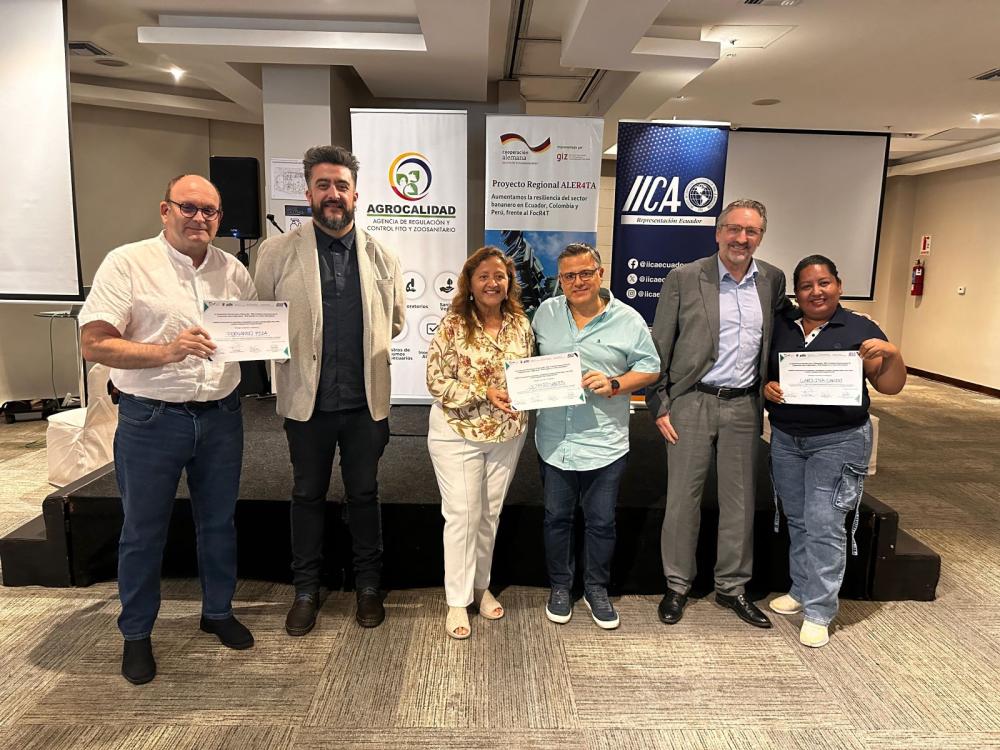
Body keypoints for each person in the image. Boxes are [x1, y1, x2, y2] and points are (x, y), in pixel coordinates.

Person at [79, 175, 257, 685]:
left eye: (210, 211)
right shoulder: (128, 263)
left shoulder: (233, 271)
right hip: (151, 418)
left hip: (221, 415)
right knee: (142, 531)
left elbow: (247, 334)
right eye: (189, 207)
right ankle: (136, 634)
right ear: (165, 209)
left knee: (219, 522)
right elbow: (95, 344)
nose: (199, 218)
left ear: (221, 218)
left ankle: (217, 612)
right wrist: (167, 351)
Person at [254, 145, 405, 635]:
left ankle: (368, 586)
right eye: (323, 185)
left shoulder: (382, 255)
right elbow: (260, 319)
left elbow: (396, 322)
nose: (333, 194)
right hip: (307, 402)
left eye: (341, 185)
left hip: (366, 404)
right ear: (308, 192)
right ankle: (306, 589)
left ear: (356, 194)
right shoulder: (276, 252)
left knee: (365, 495)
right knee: (307, 495)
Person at [647, 198, 791, 629]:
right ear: (717, 232)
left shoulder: (772, 280)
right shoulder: (685, 278)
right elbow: (660, 345)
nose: (741, 238)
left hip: (745, 405)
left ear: (761, 237)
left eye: (751, 232)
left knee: (740, 502)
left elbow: (778, 340)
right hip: (692, 402)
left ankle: (732, 588)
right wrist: (660, 404)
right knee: (682, 501)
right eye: (733, 229)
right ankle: (677, 585)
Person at [764, 255, 905, 647]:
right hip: (788, 438)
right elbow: (767, 374)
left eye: (823, 283)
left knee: (825, 523)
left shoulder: (860, 327)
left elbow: (890, 386)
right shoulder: (782, 327)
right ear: (797, 292)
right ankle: (802, 588)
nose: (816, 292)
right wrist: (767, 389)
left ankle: (820, 610)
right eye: (806, 286)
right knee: (797, 518)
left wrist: (892, 354)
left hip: (839, 440)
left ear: (838, 286)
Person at [532, 243, 660, 629]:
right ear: (560, 279)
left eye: (585, 273)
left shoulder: (629, 319)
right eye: (569, 275)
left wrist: (617, 382)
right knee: (556, 518)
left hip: (604, 443)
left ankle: (596, 588)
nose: (577, 281)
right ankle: (560, 586)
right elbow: (528, 361)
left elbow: (650, 368)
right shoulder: (545, 314)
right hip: (555, 441)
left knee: (601, 522)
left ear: (599, 274)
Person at [425, 247, 534, 639]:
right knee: (463, 516)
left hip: (506, 434)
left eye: (500, 276)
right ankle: (457, 599)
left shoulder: (521, 324)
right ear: (470, 283)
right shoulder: (454, 325)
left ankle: (479, 586)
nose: (493, 283)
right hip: (459, 433)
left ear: (509, 283)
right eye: (484, 276)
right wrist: (482, 391)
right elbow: (436, 381)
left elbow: (527, 374)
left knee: (489, 515)